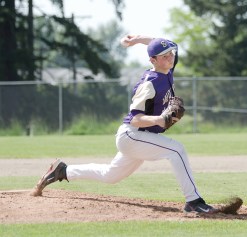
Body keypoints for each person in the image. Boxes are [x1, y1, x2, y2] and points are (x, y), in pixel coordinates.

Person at [32, 35, 217, 214]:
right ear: (153, 60)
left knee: (110, 176)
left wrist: (137, 39)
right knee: (176, 150)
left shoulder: (168, 69)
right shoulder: (149, 84)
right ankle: (193, 201)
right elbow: (136, 118)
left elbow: (163, 43)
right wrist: (160, 119)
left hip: (143, 136)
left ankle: (63, 171)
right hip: (132, 135)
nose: (170, 57)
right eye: (165, 56)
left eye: (171, 53)